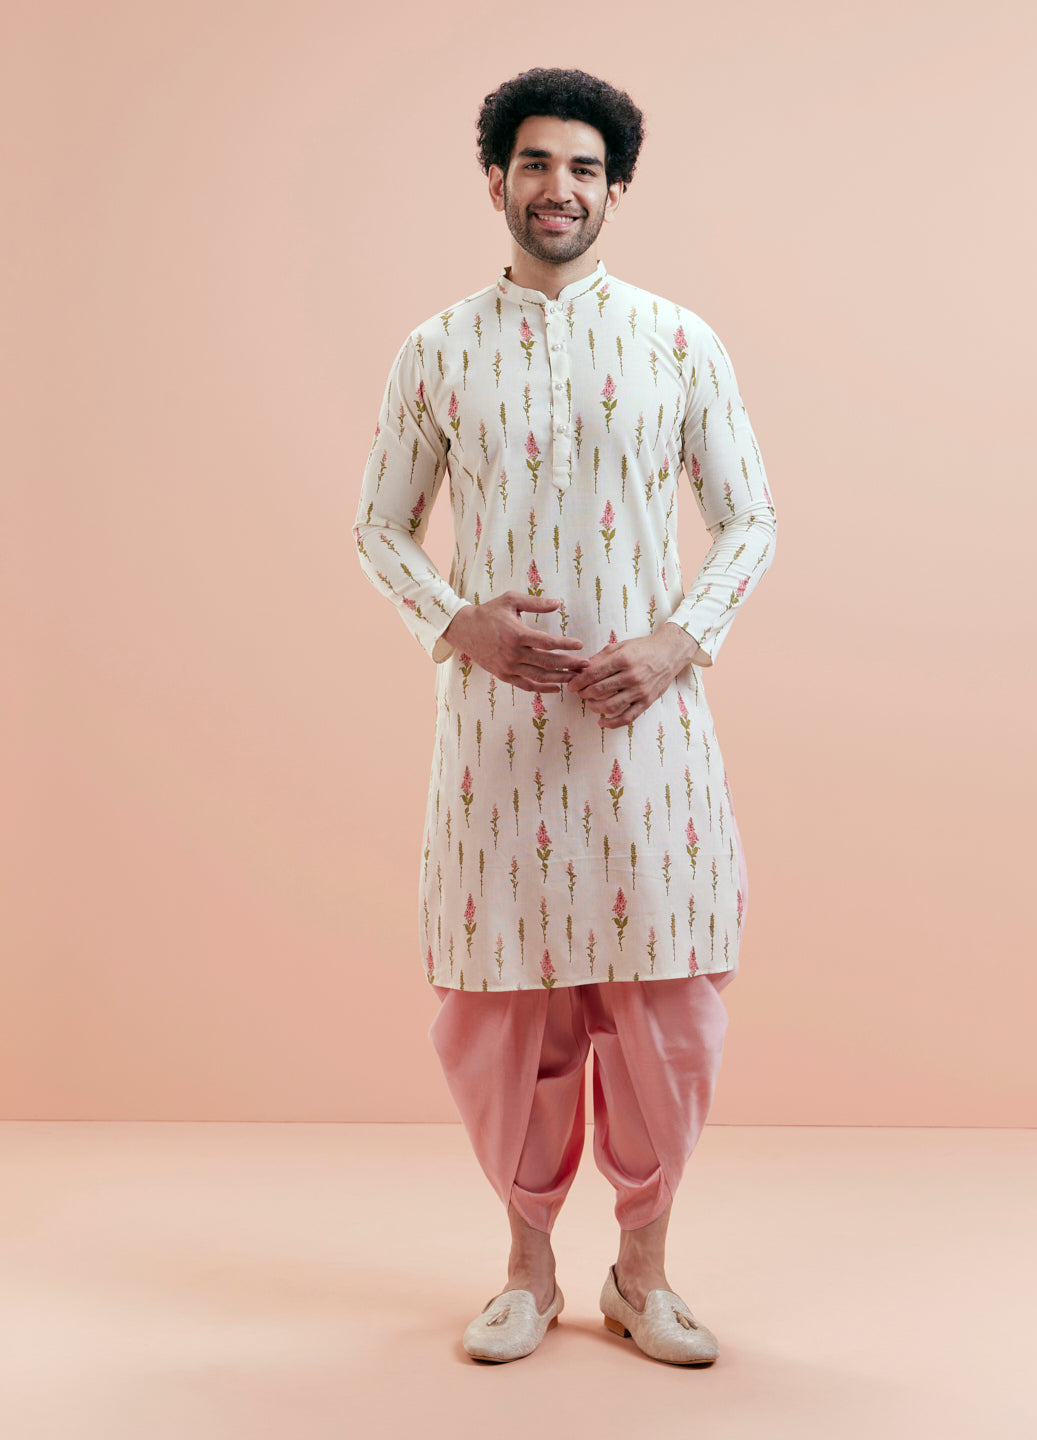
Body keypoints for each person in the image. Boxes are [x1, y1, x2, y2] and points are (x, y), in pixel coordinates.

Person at [351, 67, 777, 1364]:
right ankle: (528, 1271)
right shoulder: (436, 352)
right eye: (536, 164)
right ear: (497, 180)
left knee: (664, 1015)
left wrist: (678, 641)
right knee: (506, 1019)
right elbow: (379, 526)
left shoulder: (678, 342)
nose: (559, 188)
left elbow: (749, 519)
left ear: (616, 189)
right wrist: (456, 623)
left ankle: (643, 1275)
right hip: (501, 746)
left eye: (585, 169)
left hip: (647, 739)